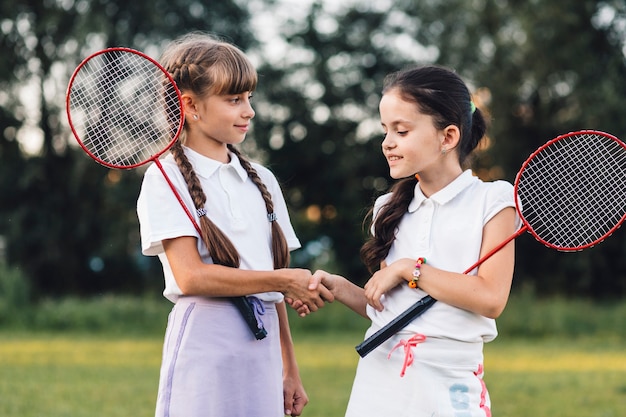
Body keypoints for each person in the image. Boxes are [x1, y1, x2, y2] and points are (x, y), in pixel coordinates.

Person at [296, 65, 520, 416]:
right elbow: (390, 311)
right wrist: (340, 287)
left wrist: (408, 269)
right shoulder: (389, 208)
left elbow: (490, 299)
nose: (387, 142)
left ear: (448, 137)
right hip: (381, 382)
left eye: (401, 130)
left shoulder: (493, 201)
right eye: (385, 130)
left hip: (450, 383)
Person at [136, 32, 332, 417]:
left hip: (262, 347)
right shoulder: (165, 177)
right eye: (234, 100)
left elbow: (274, 290)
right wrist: (281, 280)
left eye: (249, 98)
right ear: (190, 105)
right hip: (205, 343)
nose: (249, 111)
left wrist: (289, 368)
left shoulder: (263, 180)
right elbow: (191, 277)